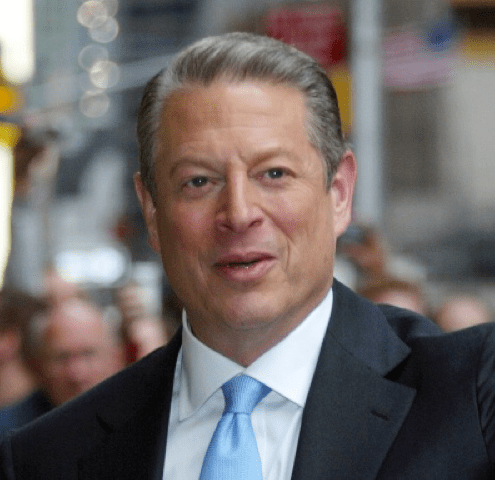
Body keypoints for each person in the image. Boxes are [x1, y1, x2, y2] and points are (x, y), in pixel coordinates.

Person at [2, 32, 495, 479]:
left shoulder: (472, 394)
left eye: (273, 174)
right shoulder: (48, 459)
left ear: (340, 192)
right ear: (151, 210)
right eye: (199, 181)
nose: (238, 214)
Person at [0, 297, 125, 436]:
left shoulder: (141, 418)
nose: (77, 373)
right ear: (38, 366)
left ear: (116, 358)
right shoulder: (10, 437)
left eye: (89, 354)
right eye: (62, 358)